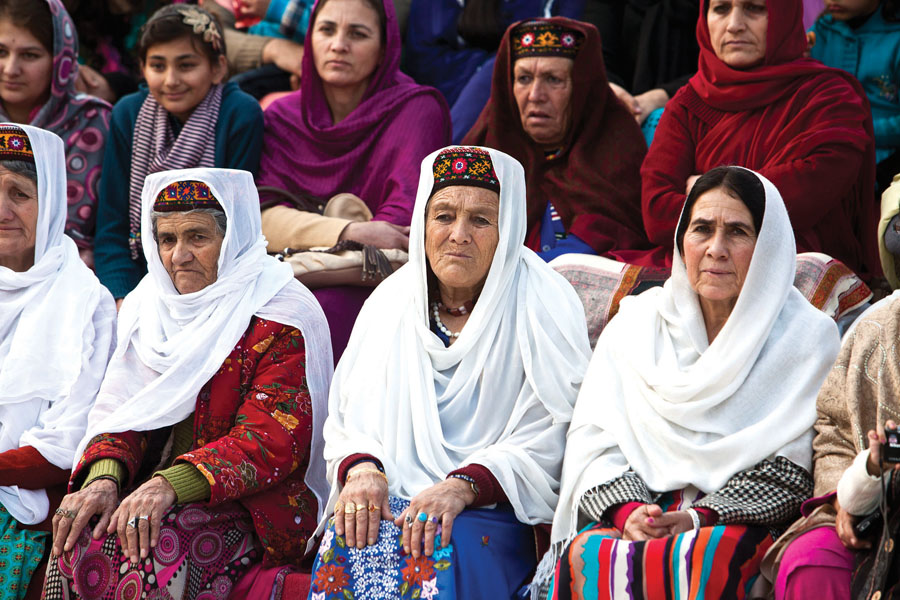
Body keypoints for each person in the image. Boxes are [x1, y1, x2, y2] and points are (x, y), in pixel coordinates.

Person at [533, 166, 841, 599]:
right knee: (592, 554)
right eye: (702, 229)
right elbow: (596, 444)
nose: (716, 249)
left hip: (736, 519)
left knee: (711, 557)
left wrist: (699, 517)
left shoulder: (806, 339)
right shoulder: (638, 325)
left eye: (737, 232)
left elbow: (792, 472)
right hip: (637, 506)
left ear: (768, 246)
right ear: (681, 240)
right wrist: (631, 512)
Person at [308, 146, 591, 599]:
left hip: (494, 508)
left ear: (509, 227)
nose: (458, 234)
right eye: (443, 216)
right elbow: (349, 420)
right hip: (395, 493)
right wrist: (363, 470)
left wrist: (464, 486)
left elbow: (558, 432)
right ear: (421, 223)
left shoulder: (544, 304)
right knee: (356, 531)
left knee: (436, 539)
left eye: (480, 220)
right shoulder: (390, 303)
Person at [43, 168, 332, 599]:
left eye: (198, 237)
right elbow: (123, 407)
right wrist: (104, 478)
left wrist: (169, 485)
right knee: (78, 534)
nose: (178, 256)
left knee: (150, 552)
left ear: (233, 239)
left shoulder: (283, 313)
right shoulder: (149, 305)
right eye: (166, 239)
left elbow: (269, 440)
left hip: (254, 503)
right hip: (158, 485)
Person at [257, 0, 450, 359]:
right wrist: (349, 231)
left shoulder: (416, 109)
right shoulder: (281, 116)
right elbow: (260, 214)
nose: (338, 45)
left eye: (358, 34)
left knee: (319, 313)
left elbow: (399, 228)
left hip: (375, 284)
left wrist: (301, 228)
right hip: (283, 276)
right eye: (326, 30)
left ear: (384, 48)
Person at [641, 0, 879, 280]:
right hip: (695, 271)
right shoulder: (687, 104)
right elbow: (657, 212)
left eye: (754, 8)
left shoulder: (830, 98)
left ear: (785, 16)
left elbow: (809, 194)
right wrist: (753, 192)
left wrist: (706, 187)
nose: (734, 24)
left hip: (794, 270)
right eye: (720, 9)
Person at [0, 124, 115, 600]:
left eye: (19, 194)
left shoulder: (85, 302)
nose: (2, 211)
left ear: (49, 203)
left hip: (23, 500)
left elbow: (67, 445)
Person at [93, 4, 264, 304]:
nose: (171, 80)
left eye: (186, 65)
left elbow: (239, 230)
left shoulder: (239, 114)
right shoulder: (128, 114)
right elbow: (112, 228)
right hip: (139, 278)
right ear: (143, 69)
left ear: (218, 68)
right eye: (158, 66)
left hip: (218, 282)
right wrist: (124, 297)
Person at [463, 17, 661, 265]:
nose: (535, 95)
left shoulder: (616, 149)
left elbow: (614, 232)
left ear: (581, 88)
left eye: (553, 79)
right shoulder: (486, 149)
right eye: (524, 78)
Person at [0, 0, 112, 267]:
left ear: (60, 60)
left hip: (67, 274)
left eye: (30, 55)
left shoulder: (93, 122)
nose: (11, 69)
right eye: (1, 51)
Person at [405, 0, 585, 142]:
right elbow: (424, 60)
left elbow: (560, 55)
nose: (535, 95)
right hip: (446, 103)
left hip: (531, 120)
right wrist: (489, 68)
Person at [807, 0, 900, 191]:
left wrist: (858, 132)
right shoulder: (821, 32)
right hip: (826, 157)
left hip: (886, 171)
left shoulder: (895, 38)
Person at [582, 0, 700, 125]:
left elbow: (718, 66)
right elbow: (594, 55)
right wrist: (613, 92)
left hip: (696, 106)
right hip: (619, 107)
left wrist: (658, 97)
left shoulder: (712, 7)